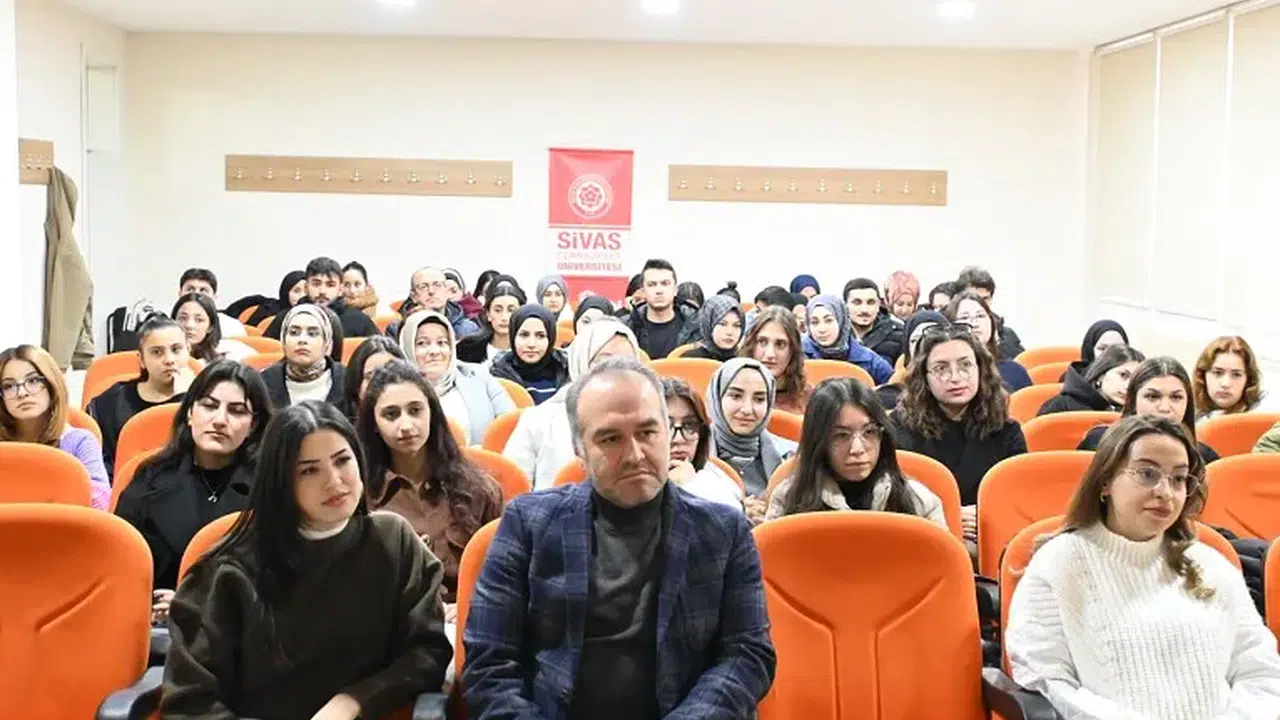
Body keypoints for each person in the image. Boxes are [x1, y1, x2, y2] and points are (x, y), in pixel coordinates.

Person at [462, 357, 777, 718]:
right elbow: (490, 662)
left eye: (648, 432)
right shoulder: (528, 524)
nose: (635, 455)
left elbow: (746, 653)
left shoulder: (724, 530)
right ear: (579, 450)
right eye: (611, 439)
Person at [160, 401, 453, 719]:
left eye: (342, 460)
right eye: (309, 470)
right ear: (281, 481)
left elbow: (427, 653)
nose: (335, 481)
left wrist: (353, 701)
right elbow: (189, 701)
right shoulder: (226, 571)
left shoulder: (394, 540)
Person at [1006, 414, 1280, 718]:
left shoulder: (1210, 564)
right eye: (1147, 474)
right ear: (1106, 481)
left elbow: (1261, 672)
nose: (1165, 491)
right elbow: (1047, 682)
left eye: (1178, 479)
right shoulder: (1058, 563)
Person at [115, 361, 271, 598]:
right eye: (209, 406)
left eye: (237, 411)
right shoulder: (150, 478)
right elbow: (121, 562)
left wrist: (191, 605)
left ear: (253, 425)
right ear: (189, 413)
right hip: (154, 613)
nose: (220, 420)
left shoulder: (268, 486)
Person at [357, 360, 503, 608]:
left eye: (415, 410)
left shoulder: (479, 489)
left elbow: (503, 575)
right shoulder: (360, 496)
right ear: (375, 425)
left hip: (468, 617)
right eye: (391, 414)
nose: (406, 426)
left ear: (431, 413)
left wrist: (467, 606)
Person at [889, 325, 1026, 548]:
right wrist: (949, 513)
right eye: (941, 368)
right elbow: (894, 499)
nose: (955, 377)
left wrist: (984, 515)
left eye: (965, 365)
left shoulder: (1006, 431)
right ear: (924, 377)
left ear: (980, 369)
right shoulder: (899, 430)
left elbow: (1017, 501)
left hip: (987, 534)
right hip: (923, 536)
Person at [765, 378, 945, 527]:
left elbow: (942, 559)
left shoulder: (920, 502)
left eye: (869, 432)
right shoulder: (788, 500)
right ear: (818, 441)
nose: (857, 449)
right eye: (841, 436)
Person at [503, 318, 640, 488]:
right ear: (581, 361)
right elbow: (513, 489)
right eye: (605, 362)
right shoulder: (539, 420)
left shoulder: (648, 420)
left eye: (627, 363)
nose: (617, 372)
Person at [0, 344, 109, 509]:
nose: (22, 393)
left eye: (33, 381)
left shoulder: (80, 442)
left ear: (52, 385)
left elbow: (102, 505)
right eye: (9, 386)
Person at [89, 314, 194, 477]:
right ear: (141, 359)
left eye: (176, 350)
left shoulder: (205, 401)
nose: (169, 360)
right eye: (157, 352)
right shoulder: (112, 402)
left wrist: (185, 399)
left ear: (188, 350)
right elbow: (101, 465)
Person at [398, 309, 514, 445]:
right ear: (408, 347)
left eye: (442, 343)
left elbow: (511, 426)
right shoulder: (396, 389)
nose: (434, 351)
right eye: (422, 343)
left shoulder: (478, 376)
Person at [1078, 357, 1221, 463]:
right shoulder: (1100, 444)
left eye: (1176, 397)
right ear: (1133, 400)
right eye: (1152, 396)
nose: (1164, 408)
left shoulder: (1204, 458)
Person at [706, 358, 797, 523]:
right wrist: (734, 510)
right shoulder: (691, 456)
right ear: (717, 398)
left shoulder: (792, 458)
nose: (747, 409)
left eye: (759, 399)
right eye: (736, 396)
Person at [661, 377, 745, 509]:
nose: (678, 439)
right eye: (666, 425)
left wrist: (691, 486)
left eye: (689, 425)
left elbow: (730, 516)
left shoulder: (713, 478)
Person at [265, 257, 378, 339]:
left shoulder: (359, 320)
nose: (322, 291)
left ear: (340, 290)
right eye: (316, 284)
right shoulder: (286, 318)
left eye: (330, 285)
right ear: (306, 287)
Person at [259, 304, 346, 409]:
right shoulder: (264, 381)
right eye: (294, 333)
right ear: (283, 340)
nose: (302, 340)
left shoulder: (347, 380)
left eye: (312, 334)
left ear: (326, 343)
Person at [944, 291, 1032, 392]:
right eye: (965, 317)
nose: (975, 324)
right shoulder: (946, 375)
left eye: (980, 316)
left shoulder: (1013, 371)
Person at [801, 295, 893, 385]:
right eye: (814, 322)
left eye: (829, 320)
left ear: (841, 320)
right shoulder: (798, 356)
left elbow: (893, 388)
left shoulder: (870, 361)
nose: (822, 329)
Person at [488, 305, 570, 405]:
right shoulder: (496, 377)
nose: (531, 344)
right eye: (524, 335)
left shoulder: (568, 373)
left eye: (540, 336)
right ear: (513, 336)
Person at [621, 259, 698, 359]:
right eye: (652, 284)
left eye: (665, 283)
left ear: (675, 290)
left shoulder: (696, 326)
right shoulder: (626, 327)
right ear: (643, 291)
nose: (659, 290)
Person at [741, 307, 812, 414]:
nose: (770, 354)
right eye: (762, 342)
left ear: (793, 350)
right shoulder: (732, 393)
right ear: (751, 345)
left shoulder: (809, 399)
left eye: (780, 344)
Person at [875, 310, 950, 410]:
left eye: (932, 339)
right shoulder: (886, 398)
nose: (922, 346)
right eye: (915, 340)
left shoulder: (961, 393)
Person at [1038, 345, 1145, 415]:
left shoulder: (1137, 416)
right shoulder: (1060, 406)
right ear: (1101, 374)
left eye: (1135, 380)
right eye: (1123, 375)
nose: (1128, 386)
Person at [390, 267, 480, 340]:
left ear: (447, 291)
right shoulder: (397, 329)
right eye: (423, 287)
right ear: (413, 296)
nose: (431, 291)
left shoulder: (466, 329)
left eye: (437, 285)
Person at [1194, 336, 1272, 421]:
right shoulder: (1187, 414)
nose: (1226, 384)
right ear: (1202, 375)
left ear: (1248, 381)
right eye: (1217, 373)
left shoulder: (1262, 420)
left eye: (1236, 375)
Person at [955, 266, 1024, 360]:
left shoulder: (1007, 335)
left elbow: (1018, 363)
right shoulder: (947, 334)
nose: (980, 303)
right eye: (973, 297)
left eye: (985, 299)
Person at [456, 277, 525, 364]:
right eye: (498, 310)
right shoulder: (467, 349)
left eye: (511, 310)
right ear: (488, 314)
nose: (504, 317)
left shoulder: (529, 350)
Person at [173, 293, 255, 364]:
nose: (189, 325)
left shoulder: (230, 355)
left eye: (199, 320)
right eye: (183, 318)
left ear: (210, 327)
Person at [341, 336, 406, 420]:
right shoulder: (339, 425)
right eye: (371, 376)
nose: (381, 383)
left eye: (390, 375)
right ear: (357, 387)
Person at [843, 278, 904, 365]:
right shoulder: (834, 335)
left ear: (879, 304)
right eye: (857, 303)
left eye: (870, 302)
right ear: (845, 305)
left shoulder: (899, 334)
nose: (864, 310)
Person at [179, 268, 246, 338]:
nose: (196, 294)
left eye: (203, 290)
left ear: (214, 297)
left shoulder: (232, 326)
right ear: (180, 294)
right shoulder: (171, 323)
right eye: (190, 289)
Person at [680, 295, 744, 361]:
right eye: (722, 324)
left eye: (737, 325)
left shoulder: (744, 360)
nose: (730, 332)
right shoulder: (690, 360)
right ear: (708, 324)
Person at [238, 270, 306, 328]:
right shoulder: (268, 311)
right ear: (286, 292)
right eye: (296, 291)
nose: (303, 295)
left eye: (307, 291)